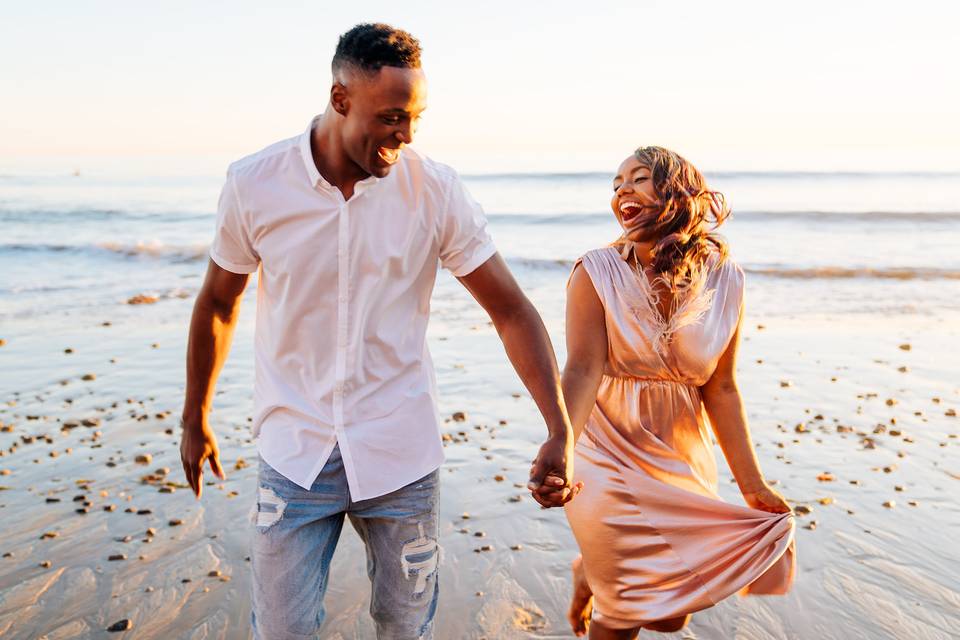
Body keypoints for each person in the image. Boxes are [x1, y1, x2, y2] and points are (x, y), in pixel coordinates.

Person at [178, 23, 578, 640]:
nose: (406, 135)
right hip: (294, 450)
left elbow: (511, 311)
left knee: (404, 628)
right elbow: (217, 304)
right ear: (341, 98)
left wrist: (559, 426)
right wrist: (194, 415)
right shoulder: (255, 183)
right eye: (393, 116)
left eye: (416, 117)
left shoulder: (435, 190)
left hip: (401, 451)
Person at [561, 146, 795, 638]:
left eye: (639, 178)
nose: (622, 189)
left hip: (681, 449)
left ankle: (587, 571)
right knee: (624, 608)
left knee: (670, 615)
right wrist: (560, 448)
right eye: (616, 183)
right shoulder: (596, 272)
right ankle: (603, 586)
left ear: (677, 194)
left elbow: (723, 386)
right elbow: (582, 369)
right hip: (604, 446)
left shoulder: (726, 279)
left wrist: (752, 487)